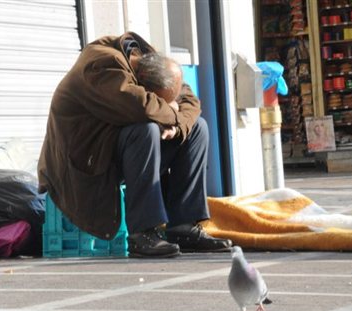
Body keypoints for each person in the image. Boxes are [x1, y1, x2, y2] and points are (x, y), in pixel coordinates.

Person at [38, 31, 232, 258]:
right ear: (141, 82)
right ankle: (143, 233)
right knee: (145, 129)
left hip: (112, 151)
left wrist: (177, 126)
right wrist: (171, 112)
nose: (167, 103)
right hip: (83, 164)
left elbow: (190, 100)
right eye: (159, 98)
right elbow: (140, 107)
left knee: (197, 128)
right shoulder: (101, 65)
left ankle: (183, 227)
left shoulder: (148, 58)